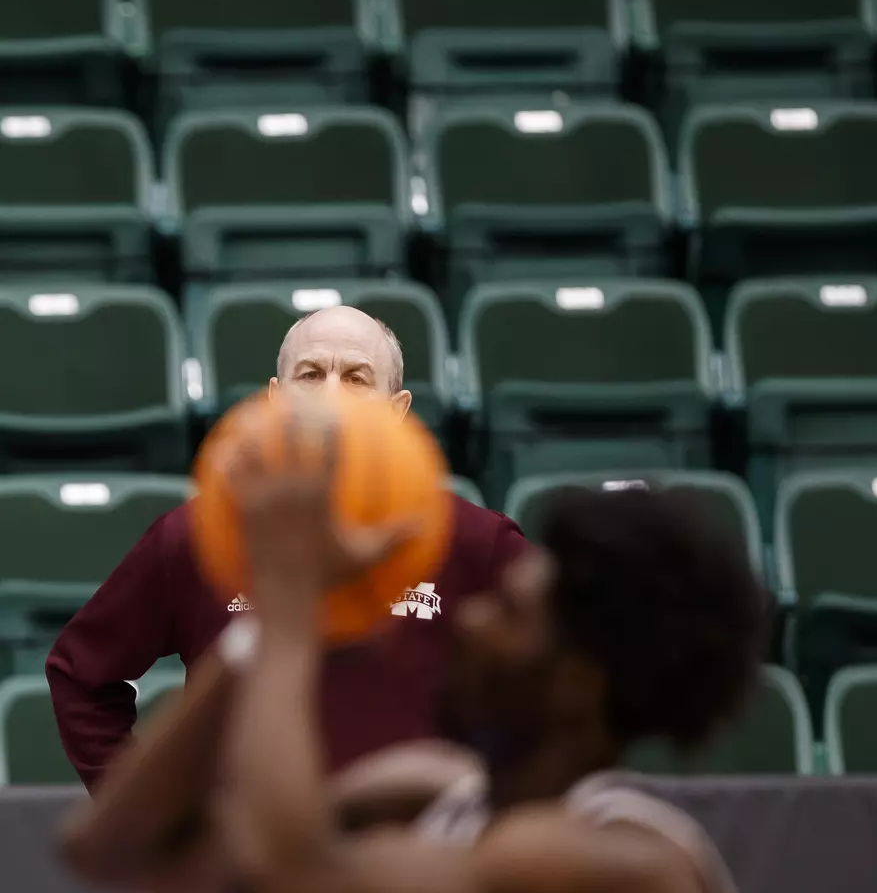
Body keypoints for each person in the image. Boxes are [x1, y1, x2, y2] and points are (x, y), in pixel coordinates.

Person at [60, 408, 768, 893]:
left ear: (579, 686)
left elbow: (296, 877)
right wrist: (269, 628)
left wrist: (288, 607)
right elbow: (109, 846)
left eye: (508, 613)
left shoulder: (617, 861)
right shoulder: (432, 792)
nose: (468, 620)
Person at [47, 305, 530, 790]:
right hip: (247, 850)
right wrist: (151, 812)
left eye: (357, 378)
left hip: (411, 849)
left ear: (397, 409)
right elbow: (80, 676)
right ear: (276, 400)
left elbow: (565, 670)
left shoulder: (475, 540)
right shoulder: (198, 536)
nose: (331, 395)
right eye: (311, 374)